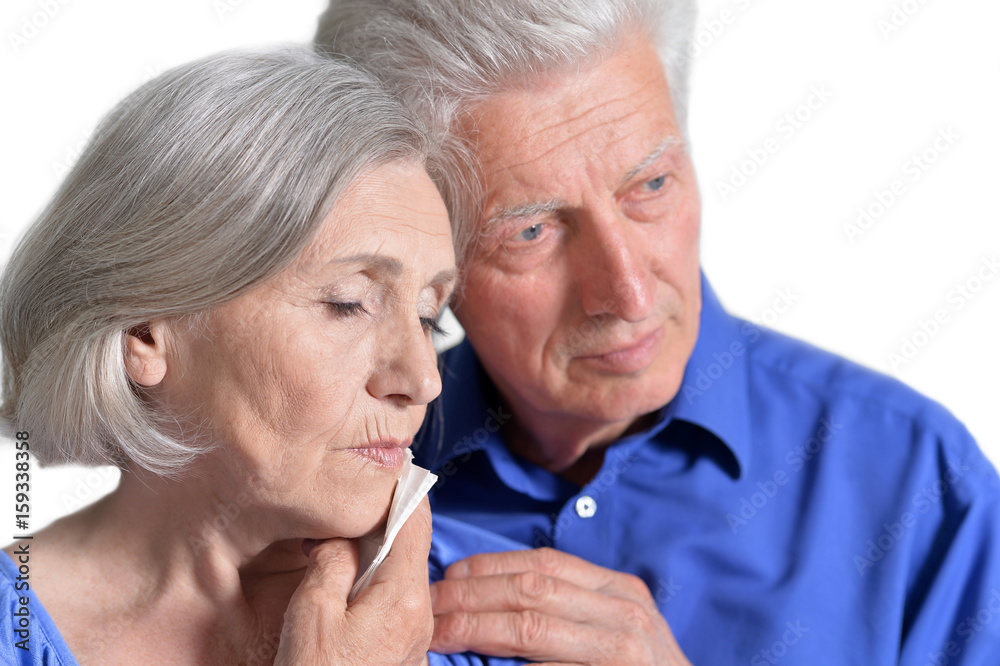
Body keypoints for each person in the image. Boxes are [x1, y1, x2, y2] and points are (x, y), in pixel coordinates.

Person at [315, 1, 1000, 664]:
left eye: (649, 186)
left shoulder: (919, 480)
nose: (629, 294)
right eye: (531, 231)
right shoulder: (327, 480)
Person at [0, 46, 476, 665]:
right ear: (146, 331)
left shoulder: (469, 619)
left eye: (428, 315)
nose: (423, 379)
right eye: (348, 303)